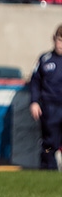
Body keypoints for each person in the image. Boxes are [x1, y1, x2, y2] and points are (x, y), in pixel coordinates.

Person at [29, 24, 62, 170]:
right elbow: (35, 82)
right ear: (54, 39)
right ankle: (47, 170)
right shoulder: (45, 59)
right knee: (49, 142)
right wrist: (34, 102)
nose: (61, 45)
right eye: (60, 40)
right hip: (50, 107)